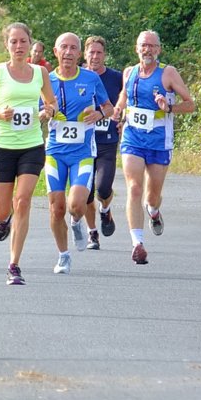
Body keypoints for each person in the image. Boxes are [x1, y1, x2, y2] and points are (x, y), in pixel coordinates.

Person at [0, 22, 57, 285]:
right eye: (14, 42)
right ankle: (2, 220)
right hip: (3, 146)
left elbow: (51, 103)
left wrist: (47, 111)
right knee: (1, 209)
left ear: (31, 44)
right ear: (7, 45)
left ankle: (14, 265)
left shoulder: (40, 73)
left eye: (23, 42)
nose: (19, 47)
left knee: (23, 201)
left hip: (31, 145)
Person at [112, 30, 195, 264]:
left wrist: (168, 108)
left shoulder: (168, 73)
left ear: (158, 50)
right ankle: (137, 243)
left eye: (151, 46)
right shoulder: (129, 72)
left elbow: (190, 104)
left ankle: (154, 212)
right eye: (143, 45)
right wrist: (119, 109)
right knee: (134, 188)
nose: (146, 50)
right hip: (133, 138)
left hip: (159, 141)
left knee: (152, 196)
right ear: (136, 48)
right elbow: (123, 97)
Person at [45, 32, 111, 275]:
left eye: (74, 48)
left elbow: (109, 107)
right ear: (56, 51)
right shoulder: (46, 80)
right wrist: (46, 114)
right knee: (56, 208)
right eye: (64, 47)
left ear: (79, 53)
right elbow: (39, 111)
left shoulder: (91, 78)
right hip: (55, 152)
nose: (69, 52)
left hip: (82, 152)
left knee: (75, 206)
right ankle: (63, 256)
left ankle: (76, 223)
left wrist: (100, 115)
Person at [81, 36, 123, 250]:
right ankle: (92, 232)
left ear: (104, 55)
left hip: (107, 141)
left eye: (99, 53)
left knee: (103, 188)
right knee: (86, 193)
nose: (95, 56)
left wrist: (122, 120)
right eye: (91, 52)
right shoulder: (76, 76)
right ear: (85, 54)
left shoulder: (115, 77)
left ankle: (105, 211)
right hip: (82, 142)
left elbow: (125, 102)